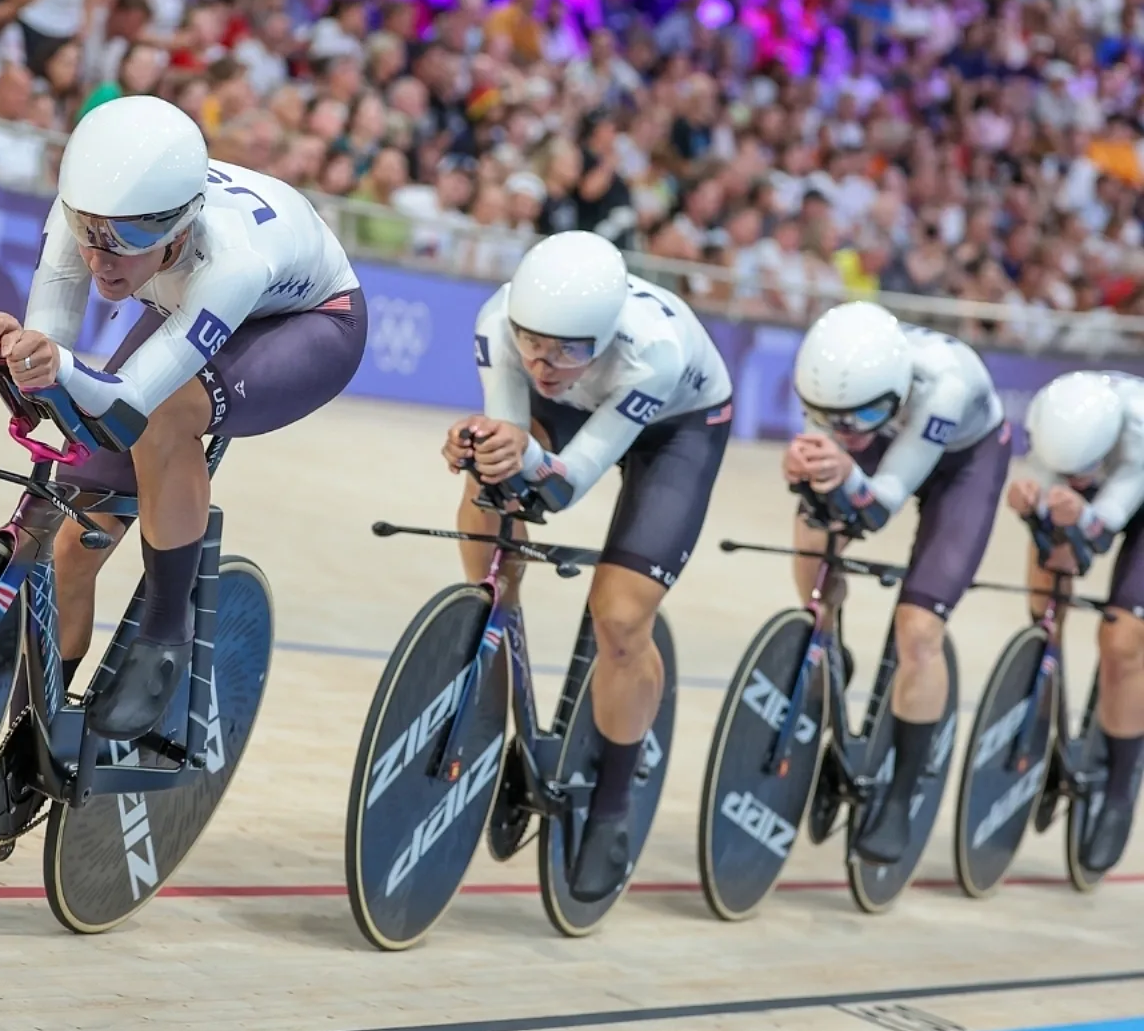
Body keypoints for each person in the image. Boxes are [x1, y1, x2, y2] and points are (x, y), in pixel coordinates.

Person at [0, 96, 367, 741]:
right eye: (90, 232)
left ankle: (164, 634)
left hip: (309, 322)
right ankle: (28, 738)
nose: (100, 257)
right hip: (186, 295)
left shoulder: (232, 258)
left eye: (125, 240)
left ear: (177, 228)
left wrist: (54, 367)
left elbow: (131, 401)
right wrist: (3, 350)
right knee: (76, 540)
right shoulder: (91, 213)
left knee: (167, 415)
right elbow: (50, 359)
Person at [443, 232, 734, 902]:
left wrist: (529, 462)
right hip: (575, 413)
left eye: (571, 349)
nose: (545, 363)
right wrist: (483, 445)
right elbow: (512, 446)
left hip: (677, 430)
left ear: (604, 335)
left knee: (622, 622)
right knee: (489, 480)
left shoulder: (651, 352)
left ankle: (610, 804)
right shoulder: (499, 322)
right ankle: (488, 632)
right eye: (533, 343)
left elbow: (567, 484)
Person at [785, 302, 1010, 864]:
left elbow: (880, 503)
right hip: (887, 432)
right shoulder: (842, 382)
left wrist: (848, 472)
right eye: (824, 417)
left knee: (919, 630)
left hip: (964, 464)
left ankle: (901, 793)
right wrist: (812, 470)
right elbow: (840, 451)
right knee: (811, 531)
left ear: (892, 393)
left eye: (851, 420)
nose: (838, 431)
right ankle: (829, 644)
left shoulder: (946, 385)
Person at [1010, 372, 1144, 872]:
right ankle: (1050, 694)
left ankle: (1118, 792)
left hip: (1134, 484)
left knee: (1124, 640)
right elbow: (1049, 500)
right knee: (1047, 580)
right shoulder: (1051, 417)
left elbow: (1105, 522)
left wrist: (1081, 512)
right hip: (1092, 472)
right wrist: (1035, 505)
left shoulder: (1136, 433)